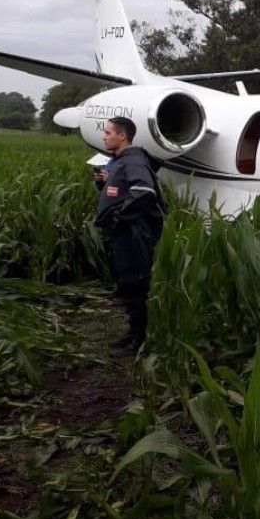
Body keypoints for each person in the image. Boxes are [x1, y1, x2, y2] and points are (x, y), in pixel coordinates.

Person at [94, 116, 166, 356]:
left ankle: (138, 341)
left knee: (135, 285)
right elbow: (124, 191)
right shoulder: (121, 161)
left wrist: (118, 217)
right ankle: (133, 335)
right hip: (122, 233)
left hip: (132, 235)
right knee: (128, 284)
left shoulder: (132, 161)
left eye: (108, 132)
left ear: (122, 136)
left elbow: (144, 193)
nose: (104, 137)